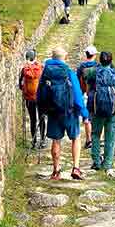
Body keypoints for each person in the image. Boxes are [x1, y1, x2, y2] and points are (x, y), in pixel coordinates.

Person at [37, 47, 89, 180]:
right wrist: (83, 112)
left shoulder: (46, 73)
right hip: (70, 112)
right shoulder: (68, 72)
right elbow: (77, 93)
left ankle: (56, 170)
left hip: (53, 112)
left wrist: (42, 110)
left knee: (56, 140)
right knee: (75, 138)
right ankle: (76, 168)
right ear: (65, 58)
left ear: (52, 57)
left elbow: (40, 93)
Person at [84, 51, 115, 171]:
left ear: (100, 60)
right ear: (111, 61)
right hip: (112, 110)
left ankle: (96, 162)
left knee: (96, 135)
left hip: (97, 109)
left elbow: (87, 91)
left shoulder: (92, 73)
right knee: (111, 137)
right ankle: (107, 163)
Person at [18, 49, 45, 149]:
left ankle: (33, 141)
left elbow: (20, 84)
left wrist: (25, 90)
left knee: (33, 119)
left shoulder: (24, 69)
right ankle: (42, 140)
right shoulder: (41, 68)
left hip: (29, 98)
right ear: (35, 57)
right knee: (41, 118)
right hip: (41, 98)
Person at [76, 45, 98, 149]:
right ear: (94, 55)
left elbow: (77, 81)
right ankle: (96, 139)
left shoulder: (82, 67)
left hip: (85, 93)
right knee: (96, 116)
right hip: (96, 94)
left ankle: (89, 140)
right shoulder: (98, 66)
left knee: (87, 118)